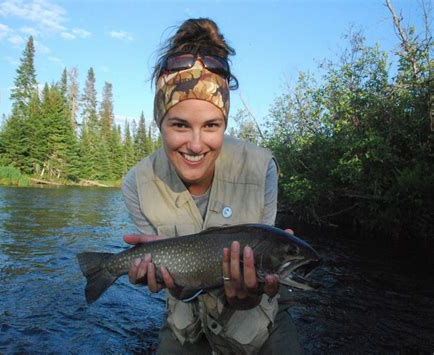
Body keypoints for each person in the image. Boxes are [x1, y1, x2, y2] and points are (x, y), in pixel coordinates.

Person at [122, 18, 303, 355]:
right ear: (159, 121)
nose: (195, 144)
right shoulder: (137, 184)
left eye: (211, 125)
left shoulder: (262, 167)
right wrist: (167, 282)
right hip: (184, 329)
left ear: (224, 123)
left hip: (260, 328)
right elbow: (176, 290)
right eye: (179, 124)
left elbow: (267, 264)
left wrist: (253, 292)